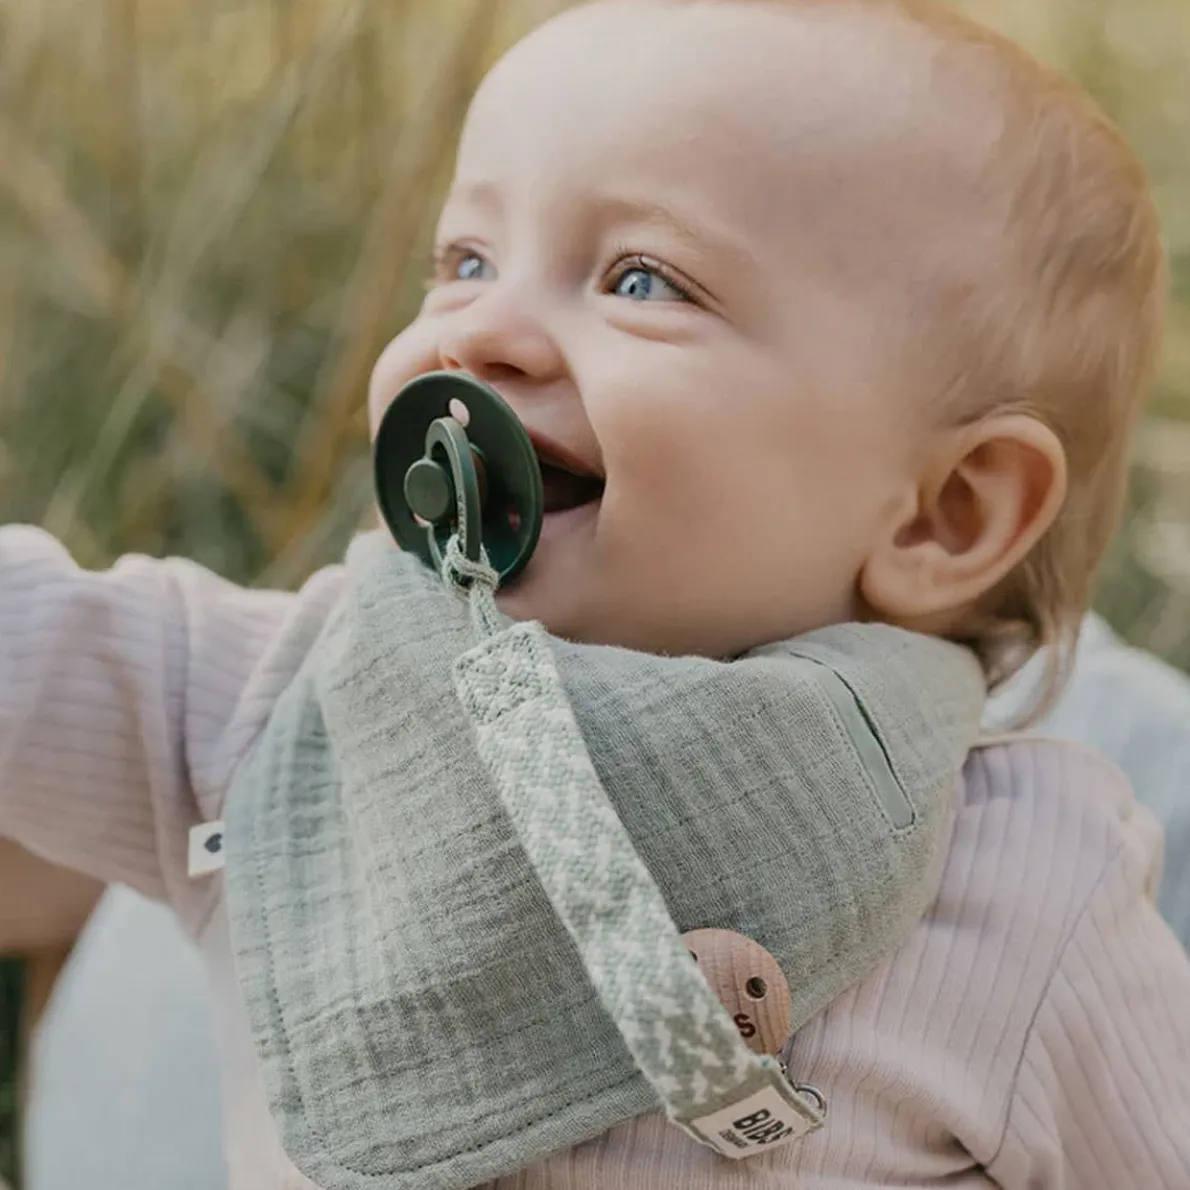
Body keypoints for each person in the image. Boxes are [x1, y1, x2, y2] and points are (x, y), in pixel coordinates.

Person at [2, 1, 1189, 1186]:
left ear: (944, 512)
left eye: (642, 279)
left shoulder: (1027, 883)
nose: (483, 332)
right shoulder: (285, 702)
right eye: (464, 261)